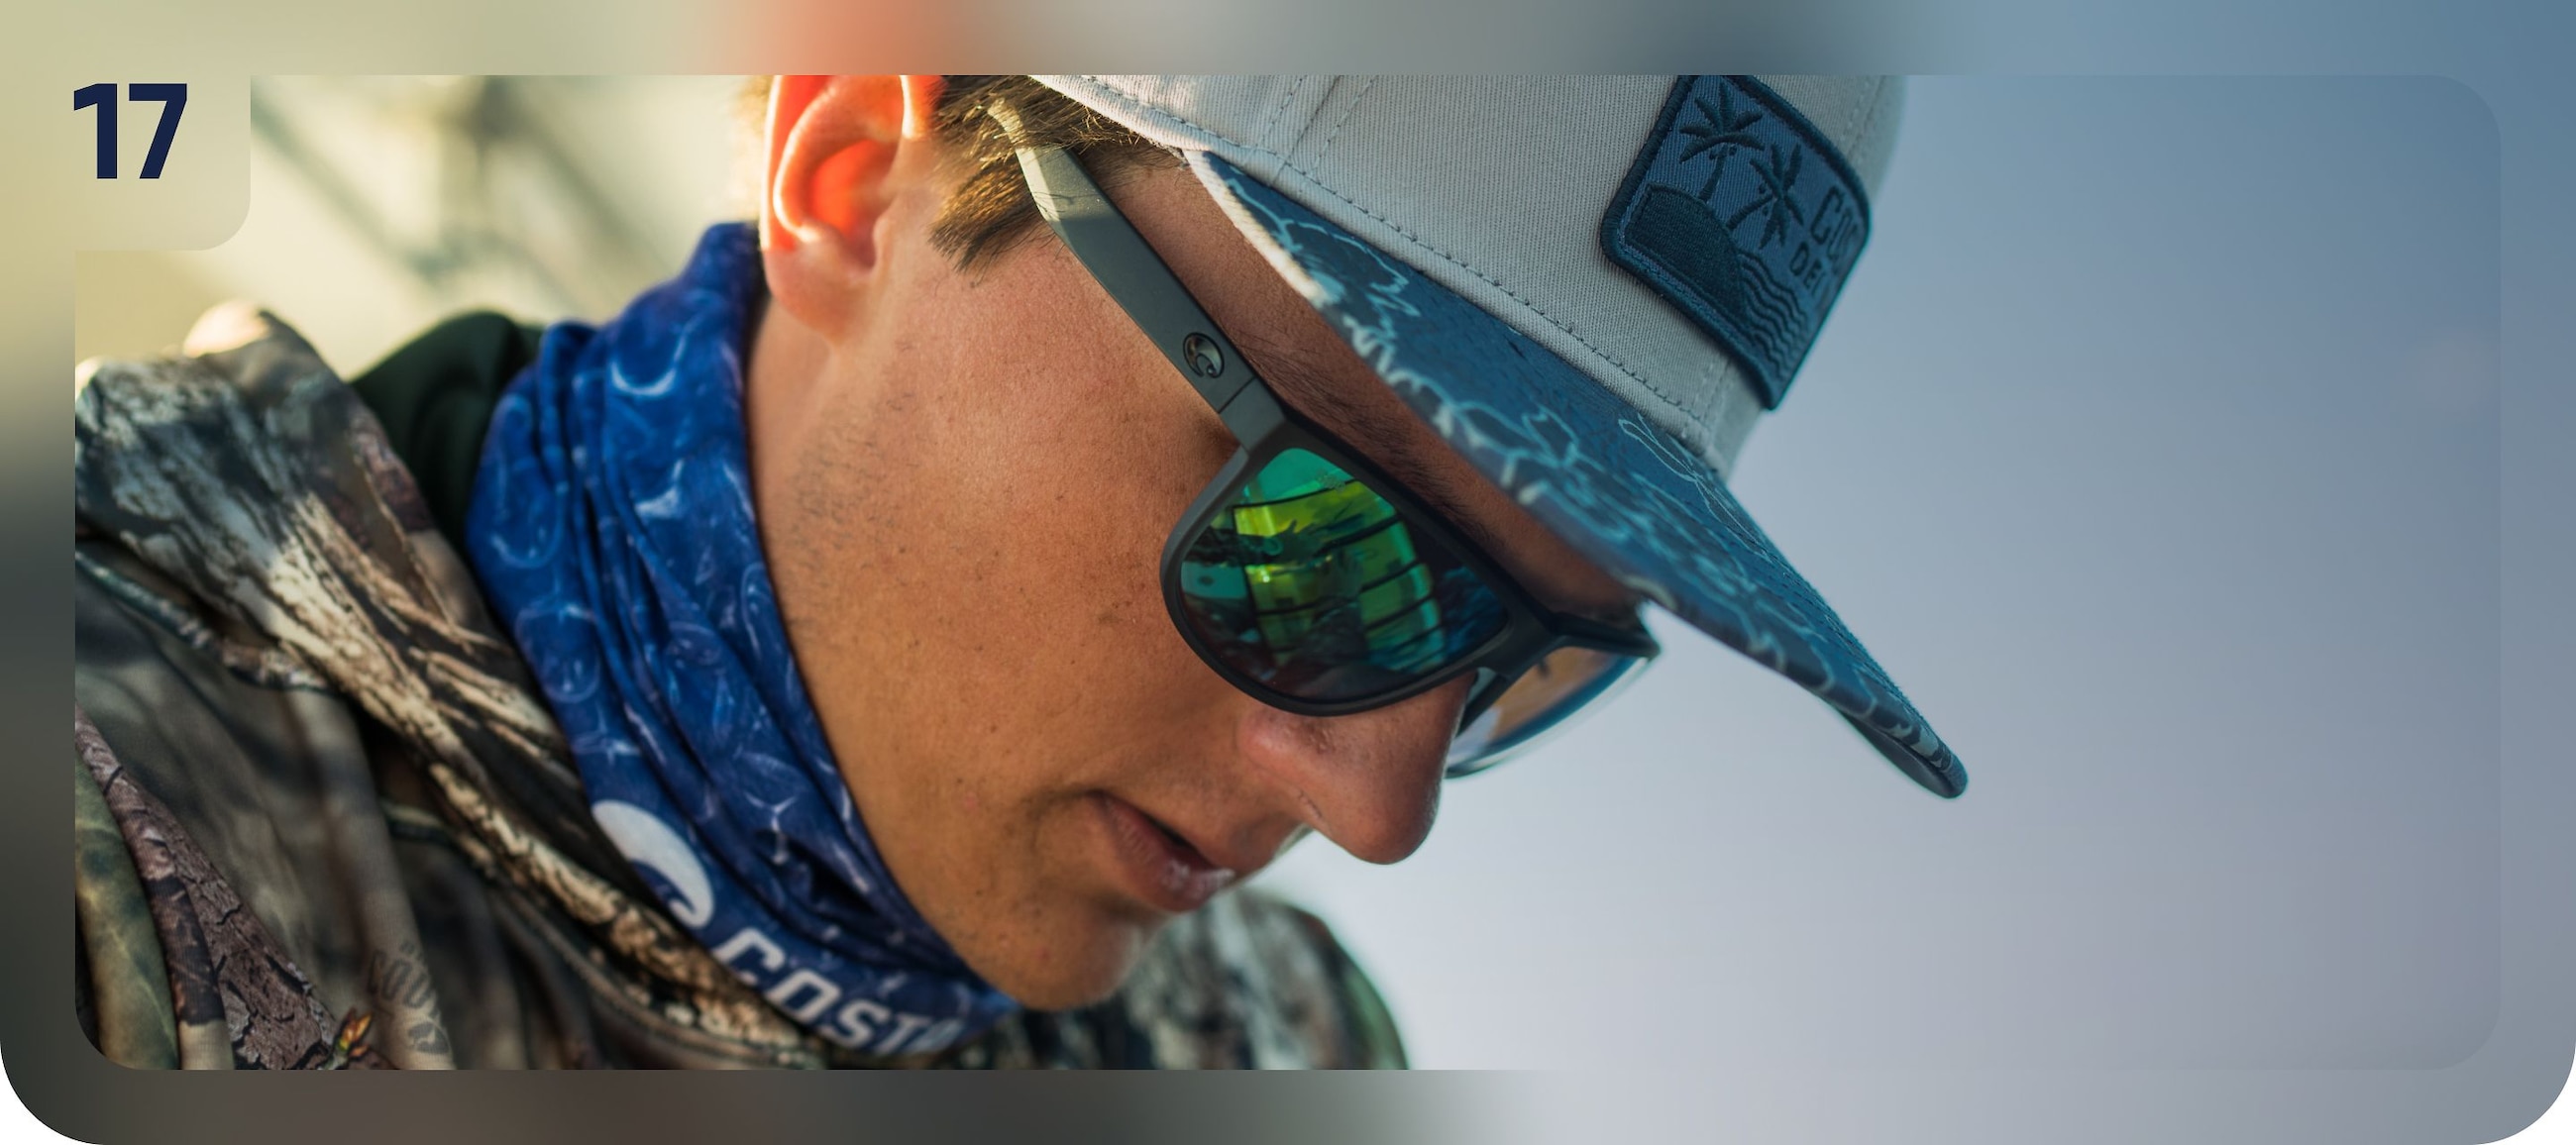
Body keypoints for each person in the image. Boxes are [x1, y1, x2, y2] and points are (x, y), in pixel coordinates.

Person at [69, 74, 1961, 1071]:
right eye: (1319, 528)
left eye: (1518, 657)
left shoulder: (1286, 1053)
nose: (1380, 809)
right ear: (845, 173)